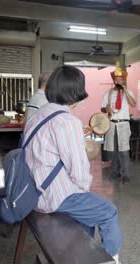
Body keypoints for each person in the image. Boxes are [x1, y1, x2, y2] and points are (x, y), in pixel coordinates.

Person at [24, 66, 123, 263]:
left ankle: (78, 256)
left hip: (34, 192)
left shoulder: (39, 116)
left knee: (87, 214)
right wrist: (83, 192)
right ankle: (109, 262)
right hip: (52, 197)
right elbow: (79, 174)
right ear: (76, 92)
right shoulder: (67, 122)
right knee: (108, 212)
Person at [101, 62, 136, 184]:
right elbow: (102, 109)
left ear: (124, 80)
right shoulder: (107, 94)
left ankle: (126, 174)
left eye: (121, 79)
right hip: (112, 124)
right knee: (113, 150)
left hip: (123, 124)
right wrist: (106, 109)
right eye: (116, 79)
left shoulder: (128, 92)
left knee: (124, 150)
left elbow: (133, 104)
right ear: (114, 80)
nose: (118, 81)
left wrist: (125, 90)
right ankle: (115, 172)